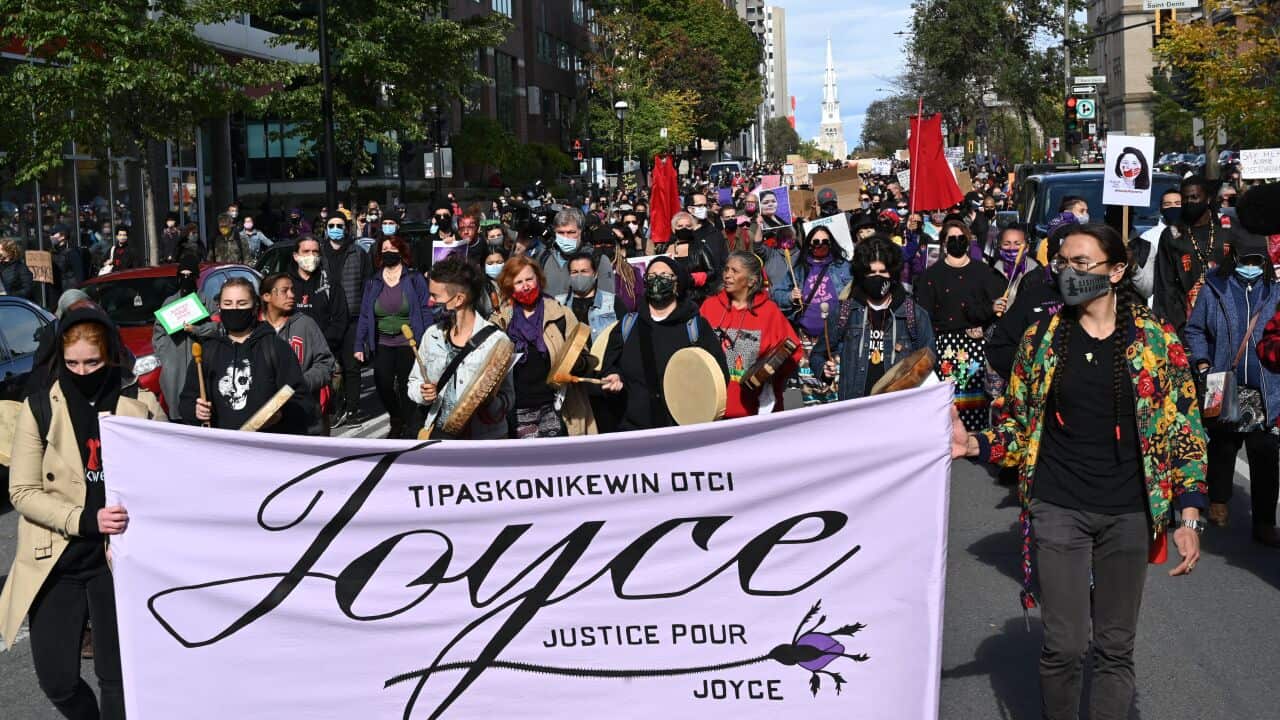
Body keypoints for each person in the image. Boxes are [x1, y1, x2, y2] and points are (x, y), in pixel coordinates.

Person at [952, 223, 1206, 720]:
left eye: (1082, 263)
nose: (1069, 273)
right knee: (1064, 645)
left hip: (1129, 512)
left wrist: (1190, 514)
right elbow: (1019, 427)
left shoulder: (1156, 340)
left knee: (1114, 646)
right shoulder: (1041, 339)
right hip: (1058, 505)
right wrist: (976, 445)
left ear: (1116, 271)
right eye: (1062, 263)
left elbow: (1184, 429)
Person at [0, 305, 165, 720]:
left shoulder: (139, 402)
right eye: (72, 363)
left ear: (110, 354)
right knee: (57, 680)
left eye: (92, 362)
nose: (82, 371)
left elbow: (168, 474)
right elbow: (22, 491)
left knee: (117, 677)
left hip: (118, 560)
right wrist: (85, 519)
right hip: (58, 558)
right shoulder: (40, 407)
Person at [1183, 233, 1280, 542]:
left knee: (1265, 453)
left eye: (1257, 261)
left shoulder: (1275, 291)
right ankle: (1218, 501)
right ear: (1234, 257)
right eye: (1246, 260)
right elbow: (1195, 329)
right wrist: (1202, 363)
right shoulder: (1214, 287)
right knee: (1223, 448)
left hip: (1266, 385)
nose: (1252, 266)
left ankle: (1264, 523)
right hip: (1221, 379)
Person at [600, 256, 728, 431]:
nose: (657, 281)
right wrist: (613, 376)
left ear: (677, 284)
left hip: (682, 429)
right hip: (633, 428)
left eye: (665, 276)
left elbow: (718, 375)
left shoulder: (696, 327)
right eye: (652, 276)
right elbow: (609, 365)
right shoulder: (628, 325)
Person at [810, 237, 935, 401]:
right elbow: (817, 355)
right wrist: (824, 370)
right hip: (855, 406)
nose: (877, 278)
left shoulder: (913, 314)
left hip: (898, 406)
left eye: (882, 272)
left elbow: (929, 360)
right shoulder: (845, 311)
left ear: (893, 273)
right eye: (871, 272)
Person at [180, 277, 309, 433]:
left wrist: (281, 416)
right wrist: (195, 412)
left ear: (254, 307)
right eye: (228, 304)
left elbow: (301, 400)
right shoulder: (207, 351)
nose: (234, 309)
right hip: (221, 445)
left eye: (241, 303)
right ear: (219, 307)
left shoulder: (276, 348)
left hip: (264, 444)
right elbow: (187, 401)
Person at [408, 256, 514, 440]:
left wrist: (488, 401)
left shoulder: (496, 341)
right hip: (438, 436)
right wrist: (423, 393)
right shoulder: (432, 336)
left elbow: (508, 399)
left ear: (458, 299)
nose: (430, 302)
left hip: (482, 440)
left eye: (435, 296)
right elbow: (413, 382)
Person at [916, 220, 1005, 430]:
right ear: (944, 243)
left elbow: (996, 309)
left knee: (977, 399)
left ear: (968, 241)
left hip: (977, 344)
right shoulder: (931, 275)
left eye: (961, 238)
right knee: (950, 401)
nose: (957, 241)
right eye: (952, 238)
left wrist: (986, 321)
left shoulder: (983, 271)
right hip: (945, 345)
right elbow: (924, 315)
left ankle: (975, 440)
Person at [493, 255, 595, 438]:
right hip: (517, 409)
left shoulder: (561, 314)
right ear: (509, 286)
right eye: (519, 282)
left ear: (538, 279)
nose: (526, 286)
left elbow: (585, 358)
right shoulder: (501, 321)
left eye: (529, 279)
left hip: (557, 406)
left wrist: (576, 362)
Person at [700, 251, 801, 418]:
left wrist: (769, 371)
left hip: (754, 412)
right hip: (713, 407)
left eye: (735, 271)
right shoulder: (709, 307)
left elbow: (793, 352)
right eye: (726, 269)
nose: (727, 275)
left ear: (752, 280)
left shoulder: (769, 312)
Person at [354, 236, 432, 439]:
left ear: (401, 251)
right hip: (382, 342)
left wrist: (429, 339)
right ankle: (396, 417)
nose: (388, 251)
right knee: (383, 384)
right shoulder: (373, 281)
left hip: (408, 342)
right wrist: (359, 344)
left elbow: (425, 309)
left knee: (407, 385)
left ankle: (409, 424)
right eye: (385, 248)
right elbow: (365, 315)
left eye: (393, 248)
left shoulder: (414, 278)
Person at [772, 225, 853, 406]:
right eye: (816, 241)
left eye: (825, 241)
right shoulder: (799, 269)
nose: (820, 244)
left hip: (836, 339)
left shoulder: (843, 267)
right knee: (812, 392)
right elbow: (776, 294)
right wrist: (790, 296)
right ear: (809, 244)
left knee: (837, 387)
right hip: (807, 340)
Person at [1153, 175, 1233, 331]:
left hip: (1226, 315)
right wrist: (1174, 325)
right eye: (1185, 198)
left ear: (1207, 199)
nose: (1189, 202)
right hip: (1187, 321)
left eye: (1195, 197)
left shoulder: (1226, 228)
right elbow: (1165, 283)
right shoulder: (1173, 234)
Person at [260, 273, 336, 436]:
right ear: (267, 296)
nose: (292, 295)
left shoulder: (305, 324)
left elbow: (326, 363)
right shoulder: (255, 329)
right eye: (284, 291)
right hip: (267, 419)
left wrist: (302, 384)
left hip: (303, 416)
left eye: (292, 290)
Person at [151, 253, 219, 420]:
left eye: (190, 275)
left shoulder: (207, 302)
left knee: (201, 407)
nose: (186, 278)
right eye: (182, 275)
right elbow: (158, 332)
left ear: (196, 277)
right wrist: (165, 354)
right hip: (174, 366)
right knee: (176, 410)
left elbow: (217, 327)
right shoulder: (169, 303)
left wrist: (197, 329)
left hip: (200, 362)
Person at [321, 213, 372, 427]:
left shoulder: (358, 253)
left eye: (339, 225)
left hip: (352, 317)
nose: (335, 229)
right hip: (327, 318)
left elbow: (367, 286)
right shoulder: (319, 252)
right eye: (331, 225)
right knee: (329, 367)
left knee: (352, 366)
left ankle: (352, 410)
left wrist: (366, 318)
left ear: (347, 228)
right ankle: (334, 407)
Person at [289, 235, 348, 356]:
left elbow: (340, 320)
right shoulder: (285, 284)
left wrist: (321, 345)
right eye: (306, 251)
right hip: (289, 353)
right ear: (295, 256)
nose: (311, 256)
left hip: (323, 353)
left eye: (315, 251)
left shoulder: (330, 284)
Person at [1132, 188, 1182, 303]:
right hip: (1159, 302)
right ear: (1161, 209)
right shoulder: (1148, 237)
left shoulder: (1194, 233)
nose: (1173, 207)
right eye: (1167, 204)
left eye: (1177, 204)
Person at [557, 252, 619, 340]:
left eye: (584, 271)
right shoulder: (559, 304)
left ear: (595, 274)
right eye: (574, 272)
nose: (579, 276)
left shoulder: (611, 302)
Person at [538, 207, 586, 297]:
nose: (565, 237)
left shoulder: (593, 259)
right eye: (560, 233)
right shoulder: (544, 257)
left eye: (571, 232)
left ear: (581, 232)